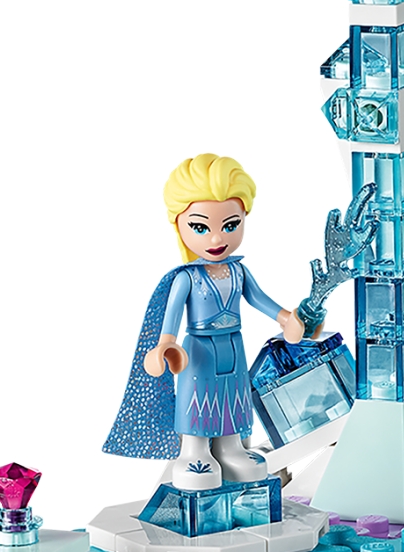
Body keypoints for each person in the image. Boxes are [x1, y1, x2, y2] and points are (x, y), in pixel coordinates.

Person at [103, 153, 303, 491]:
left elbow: (258, 299)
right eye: (200, 227)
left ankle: (230, 448)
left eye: (230, 225)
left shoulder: (238, 271)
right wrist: (166, 345)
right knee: (198, 396)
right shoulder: (187, 278)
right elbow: (171, 316)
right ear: (179, 225)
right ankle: (193, 451)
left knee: (233, 396)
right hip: (198, 350)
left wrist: (286, 318)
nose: (216, 239)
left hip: (234, 345)